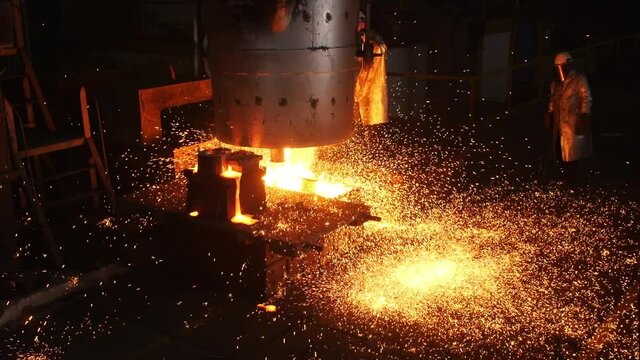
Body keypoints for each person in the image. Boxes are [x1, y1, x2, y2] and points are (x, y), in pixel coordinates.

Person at [545, 51, 593, 184]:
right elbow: (552, 100)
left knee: (574, 153)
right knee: (559, 151)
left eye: (562, 67)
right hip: (560, 123)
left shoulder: (579, 79)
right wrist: (550, 112)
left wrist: (583, 115)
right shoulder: (556, 84)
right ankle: (565, 176)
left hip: (573, 122)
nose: (560, 70)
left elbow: (586, 98)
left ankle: (575, 178)